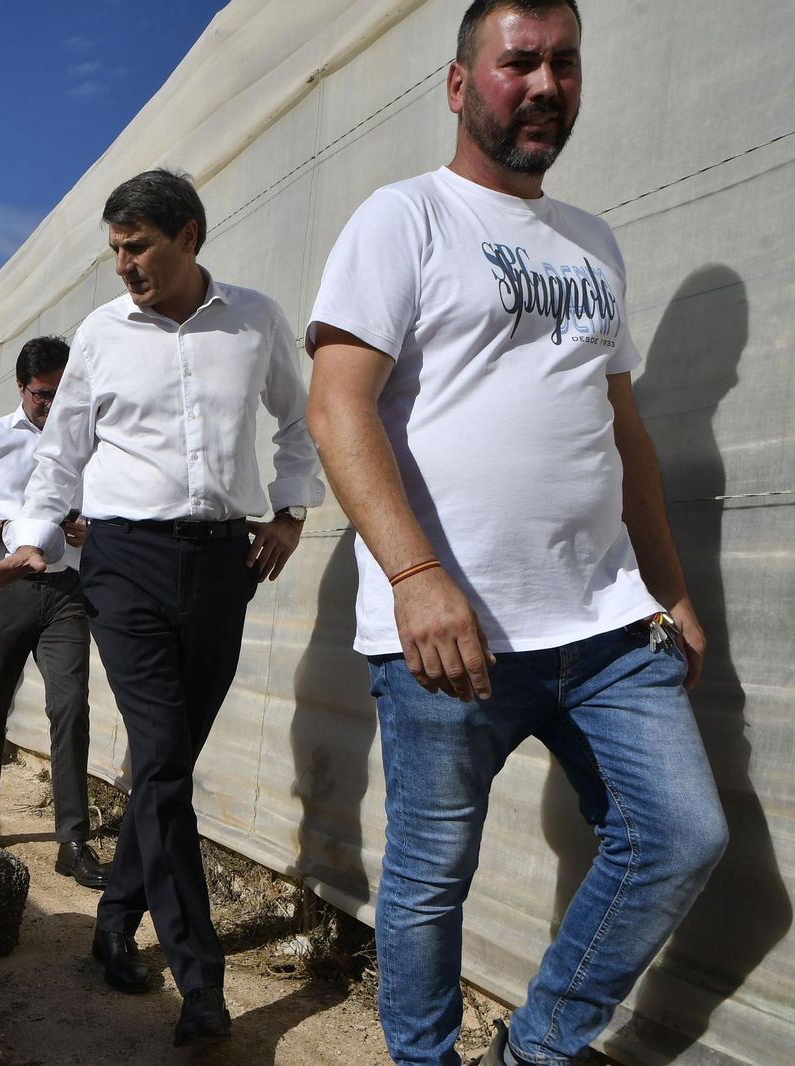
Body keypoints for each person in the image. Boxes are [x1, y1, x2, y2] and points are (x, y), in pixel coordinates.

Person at [304, 4, 727, 1064]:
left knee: (680, 835)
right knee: (431, 876)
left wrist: (669, 589)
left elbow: (622, 436)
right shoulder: (403, 219)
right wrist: (413, 573)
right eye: (519, 62)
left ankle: (534, 1050)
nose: (545, 84)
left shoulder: (593, 244)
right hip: (452, 637)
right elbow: (336, 406)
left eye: (564, 63)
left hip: (605, 627)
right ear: (460, 86)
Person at [0, 170, 323, 1046]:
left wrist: (288, 512)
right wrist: (32, 539)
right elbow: (63, 453)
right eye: (116, 250)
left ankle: (116, 914)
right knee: (163, 757)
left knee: (167, 765)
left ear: (189, 237)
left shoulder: (254, 321)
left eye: (139, 248)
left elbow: (299, 419)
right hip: (122, 562)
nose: (124, 266)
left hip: (221, 565)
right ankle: (203, 984)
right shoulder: (99, 334)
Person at [0, 337, 106, 886]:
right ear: (22, 388)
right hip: (3, 587)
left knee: (71, 708)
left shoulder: (85, 441)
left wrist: (87, 528)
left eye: (62, 395)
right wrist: (6, 532)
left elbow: (106, 503)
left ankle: (72, 838)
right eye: (42, 395)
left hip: (65, 591)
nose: (51, 405)